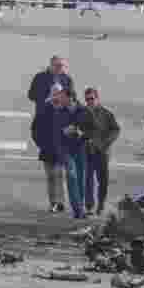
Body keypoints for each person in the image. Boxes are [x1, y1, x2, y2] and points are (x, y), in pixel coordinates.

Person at [36, 84, 88, 218]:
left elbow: (92, 128)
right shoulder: (58, 111)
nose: (59, 99)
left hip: (81, 149)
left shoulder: (82, 110)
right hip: (65, 151)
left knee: (80, 180)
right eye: (57, 95)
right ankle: (76, 209)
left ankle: (80, 206)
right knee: (70, 177)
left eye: (62, 96)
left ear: (69, 98)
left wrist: (80, 132)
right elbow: (54, 133)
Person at [81, 87, 120, 216]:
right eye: (87, 100)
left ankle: (101, 204)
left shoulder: (106, 114)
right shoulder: (83, 113)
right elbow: (78, 130)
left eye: (91, 99)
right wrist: (82, 137)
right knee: (88, 180)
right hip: (88, 151)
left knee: (103, 180)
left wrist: (105, 143)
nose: (89, 102)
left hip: (102, 152)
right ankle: (89, 206)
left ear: (97, 99)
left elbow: (115, 130)